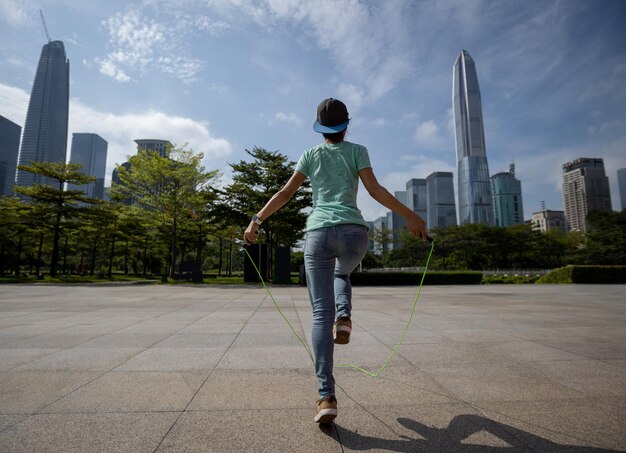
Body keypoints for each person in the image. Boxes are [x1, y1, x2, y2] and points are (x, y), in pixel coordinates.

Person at [243, 98, 427, 424]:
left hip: (318, 235)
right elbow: (375, 190)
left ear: (321, 128)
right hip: (355, 233)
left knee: (318, 315)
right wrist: (411, 215)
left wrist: (256, 220)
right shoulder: (358, 151)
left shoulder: (310, 155)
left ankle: (326, 396)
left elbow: (285, 193)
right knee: (343, 272)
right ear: (346, 125)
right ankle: (344, 317)